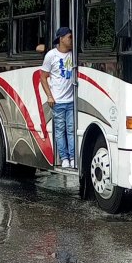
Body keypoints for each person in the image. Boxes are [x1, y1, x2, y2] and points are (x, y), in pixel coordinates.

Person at [40, 26, 75, 168]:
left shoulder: (74, 55)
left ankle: (73, 158)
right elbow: (43, 77)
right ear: (61, 39)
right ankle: (64, 158)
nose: (71, 40)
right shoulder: (51, 55)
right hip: (58, 101)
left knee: (71, 130)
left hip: (72, 100)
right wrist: (49, 96)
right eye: (69, 37)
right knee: (60, 131)